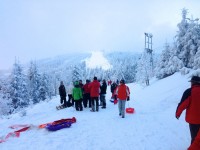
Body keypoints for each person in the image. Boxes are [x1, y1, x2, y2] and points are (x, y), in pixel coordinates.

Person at [176, 76, 200, 145]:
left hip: (194, 121)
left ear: (193, 83)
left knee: (195, 138)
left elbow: (182, 104)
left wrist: (177, 114)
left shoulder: (189, 92)